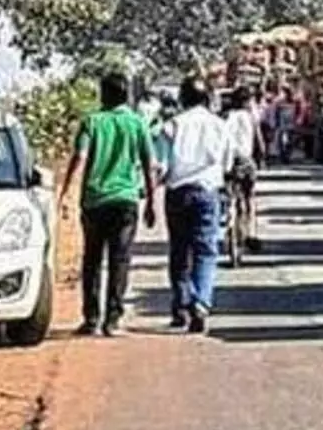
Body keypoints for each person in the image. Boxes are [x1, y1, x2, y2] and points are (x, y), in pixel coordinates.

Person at [57, 71, 157, 337]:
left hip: (94, 201)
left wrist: (66, 192)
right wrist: (151, 202)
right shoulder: (137, 123)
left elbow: (79, 158)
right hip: (125, 200)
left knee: (92, 259)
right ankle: (113, 319)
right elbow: (150, 165)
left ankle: (91, 318)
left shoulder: (92, 122)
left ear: (103, 94)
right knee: (119, 260)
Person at [160, 75, 234, 333]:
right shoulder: (220, 125)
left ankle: (182, 304)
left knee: (179, 251)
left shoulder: (171, 126)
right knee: (205, 250)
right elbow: (227, 163)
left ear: (182, 98)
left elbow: (162, 165)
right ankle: (201, 302)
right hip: (208, 192)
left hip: (178, 193)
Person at [223, 86, 265, 252]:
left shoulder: (226, 117)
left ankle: (229, 223)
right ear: (247, 101)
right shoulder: (250, 118)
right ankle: (251, 234)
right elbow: (260, 143)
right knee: (249, 198)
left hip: (230, 162)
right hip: (246, 162)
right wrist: (261, 157)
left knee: (230, 195)